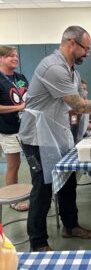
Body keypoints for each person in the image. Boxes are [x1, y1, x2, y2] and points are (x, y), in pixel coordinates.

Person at [19, 26, 91, 252]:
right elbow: (79, 105)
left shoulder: (72, 72)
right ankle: (38, 243)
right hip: (36, 136)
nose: (87, 53)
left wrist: (80, 136)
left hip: (57, 133)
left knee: (69, 181)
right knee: (42, 188)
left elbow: (78, 109)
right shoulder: (53, 67)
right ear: (71, 43)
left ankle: (71, 226)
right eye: (85, 48)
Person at [0, 46, 29, 212]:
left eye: (16, 56)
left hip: (26, 127)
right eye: (10, 56)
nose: (15, 58)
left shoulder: (20, 77)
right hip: (9, 129)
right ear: (0, 59)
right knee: (14, 165)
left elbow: (28, 95)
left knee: (35, 163)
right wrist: (18, 108)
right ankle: (13, 200)